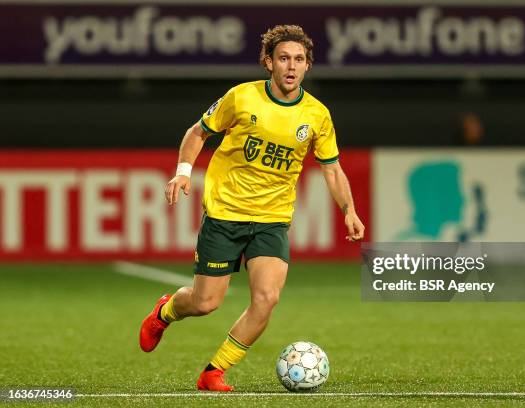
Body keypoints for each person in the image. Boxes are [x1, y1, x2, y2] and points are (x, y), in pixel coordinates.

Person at [139, 24, 365, 392]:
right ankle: (165, 311)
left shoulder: (317, 115)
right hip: (225, 212)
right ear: (268, 62)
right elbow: (198, 132)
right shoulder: (241, 98)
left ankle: (214, 371)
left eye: (299, 59)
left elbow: (332, 168)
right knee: (205, 302)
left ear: (308, 66)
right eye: (283, 58)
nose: (291, 66)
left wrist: (348, 210)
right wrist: (183, 172)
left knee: (266, 299)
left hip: (273, 219)